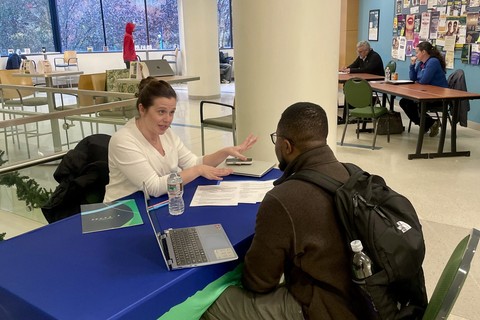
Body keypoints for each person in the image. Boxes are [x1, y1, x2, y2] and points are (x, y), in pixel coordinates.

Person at [201, 102, 365, 320]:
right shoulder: (354, 174)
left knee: (212, 305)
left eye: (276, 139)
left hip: (324, 309)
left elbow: (259, 283)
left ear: (287, 146)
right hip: (365, 300)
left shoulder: (284, 199)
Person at [104, 77, 257, 202]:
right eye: (161, 112)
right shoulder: (123, 141)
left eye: (172, 112)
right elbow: (154, 187)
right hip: (125, 208)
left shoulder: (167, 134)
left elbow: (193, 162)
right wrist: (197, 170)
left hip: (157, 202)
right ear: (142, 109)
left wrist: (225, 152)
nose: (168, 119)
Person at [399, 41, 448, 137]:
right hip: (426, 93)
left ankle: (427, 124)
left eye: (417, 52)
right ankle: (429, 123)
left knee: (410, 104)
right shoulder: (421, 63)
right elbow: (413, 78)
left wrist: (419, 81)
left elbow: (424, 80)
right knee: (404, 102)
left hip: (437, 96)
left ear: (424, 52)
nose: (415, 55)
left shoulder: (433, 62)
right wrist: (412, 65)